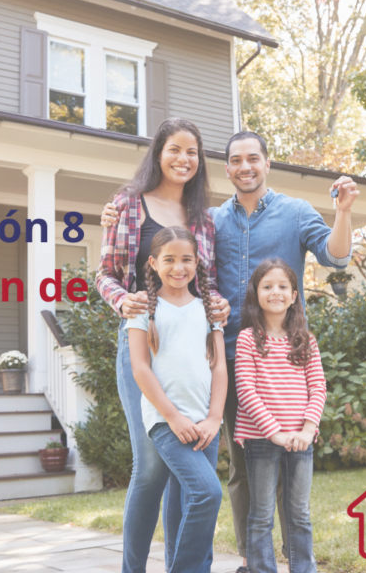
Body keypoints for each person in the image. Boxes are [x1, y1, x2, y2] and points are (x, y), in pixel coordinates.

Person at [103, 131, 357, 572]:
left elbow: (335, 258)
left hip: (271, 354)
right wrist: (112, 220)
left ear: (267, 162)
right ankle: (251, 560)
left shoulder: (290, 212)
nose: (245, 167)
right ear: (225, 169)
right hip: (214, 351)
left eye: (253, 159)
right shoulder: (212, 218)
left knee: (279, 462)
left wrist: (344, 212)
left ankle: (294, 561)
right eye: (236, 160)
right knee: (239, 466)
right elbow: (155, 271)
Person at [95, 117, 229, 573]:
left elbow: (204, 282)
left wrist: (219, 305)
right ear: (158, 153)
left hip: (190, 349)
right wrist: (123, 299)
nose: (183, 159)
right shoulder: (128, 205)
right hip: (142, 341)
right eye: (175, 149)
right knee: (150, 468)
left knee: (185, 472)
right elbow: (104, 274)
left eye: (192, 152)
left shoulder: (203, 220)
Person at [125, 226, 228, 573]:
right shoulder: (142, 308)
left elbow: (219, 369)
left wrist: (214, 418)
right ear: (153, 263)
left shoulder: (209, 309)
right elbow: (140, 368)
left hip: (204, 423)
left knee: (188, 502)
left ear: (197, 262)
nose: (178, 267)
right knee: (207, 493)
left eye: (186, 259)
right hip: (167, 422)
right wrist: (172, 416)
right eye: (169, 260)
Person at [233, 259, 326, 573]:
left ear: (295, 295)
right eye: (267, 286)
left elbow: (318, 388)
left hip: (301, 441)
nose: (276, 292)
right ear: (256, 293)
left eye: (283, 286)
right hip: (262, 439)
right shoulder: (247, 339)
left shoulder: (305, 340)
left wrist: (308, 428)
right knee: (261, 514)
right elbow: (246, 390)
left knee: (299, 513)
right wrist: (274, 432)